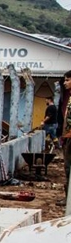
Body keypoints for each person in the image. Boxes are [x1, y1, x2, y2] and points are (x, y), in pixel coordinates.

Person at [60, 71, 71, 206]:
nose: (65, 83)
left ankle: (69, 200)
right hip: (67, 137)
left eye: (67, 80)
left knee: (69, 168)